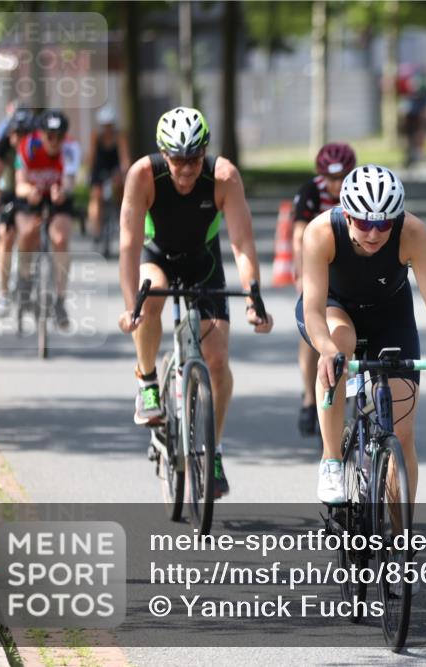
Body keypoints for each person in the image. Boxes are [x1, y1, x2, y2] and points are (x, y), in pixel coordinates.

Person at [116, 107, 273, 497]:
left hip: (204, 262)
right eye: (178, 160)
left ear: (205, 152)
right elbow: (128, 244)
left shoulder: (224, 177)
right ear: (163, 155)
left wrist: (253, 296)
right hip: (158, 258)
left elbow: (241, 243)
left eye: (194, 159)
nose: (186, 170)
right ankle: (149, 380)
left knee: (217, 361)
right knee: (149, 296)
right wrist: (129, 306)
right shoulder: (142, 175)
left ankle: (213, 449)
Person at [297, 164, 426, 505]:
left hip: (389, 313)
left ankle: (400, 539)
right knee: (340, 343)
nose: (373, 233)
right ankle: (330, 460)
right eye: (363, 223)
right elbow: (312, 309)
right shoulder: (321, 232)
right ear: (346, 214)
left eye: (383, 223)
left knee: (402, 435)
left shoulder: (413, 232)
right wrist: (326, 350)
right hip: (333, 307)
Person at [291, 142, 357, 437]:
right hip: (315, 267)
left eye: (343, 176)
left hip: (349, 270)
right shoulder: (310, 192)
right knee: (313, 337)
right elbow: (298, 237)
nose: (337, 185)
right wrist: (301, 276)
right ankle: (309, 397)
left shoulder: (359, 191)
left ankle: (354, 394)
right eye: (331, 179)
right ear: (321, 176)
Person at [14, 109, 82, 329]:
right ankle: (23, 281)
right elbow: (19, 183)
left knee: (60, 239)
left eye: (59, 136)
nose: (54, 141)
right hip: (31, 196)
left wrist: (62, 191)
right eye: (49, 136)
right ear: (40, 134)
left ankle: (60, 300)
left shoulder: (70, 148)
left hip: (56, 197)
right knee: (27, 233)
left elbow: (70, 181)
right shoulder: (27, 146)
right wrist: (29, 191)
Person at [0, 107, 33, 318]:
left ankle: (28, 277)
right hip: (8, 195)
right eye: (17, 132)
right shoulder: (2, 147)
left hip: (29, 195)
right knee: (5, 237)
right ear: (10, 133)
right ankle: (4, 291)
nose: (21, 137)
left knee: (33, 232)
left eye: (25, 133)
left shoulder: (35, 148)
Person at [86, 105, 131, 241]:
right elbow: (92, 157)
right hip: (99, 168)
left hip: (114, 169)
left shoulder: (119, 137)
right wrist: (89, 172)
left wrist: (124, 170)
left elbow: (125, 158)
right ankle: (97, 229)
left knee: (120, 190)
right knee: (96, 195)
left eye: (109, 125)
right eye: (105, 126)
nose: (107, 129)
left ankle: (121, 216)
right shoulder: (96, 137)